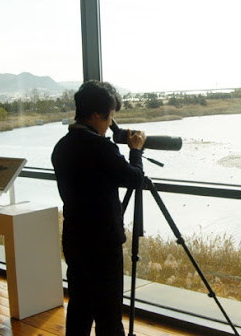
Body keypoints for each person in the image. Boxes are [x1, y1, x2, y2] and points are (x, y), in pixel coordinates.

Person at [51, 80, 146, 336]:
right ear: (96, 115)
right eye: (109, 118)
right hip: (102, 243)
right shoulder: (101, 148)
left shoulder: (61, 147)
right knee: (108, 314)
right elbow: (134, 178)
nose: (109, 124)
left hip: (75, 238)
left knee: (80, 307)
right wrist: (135, 151)